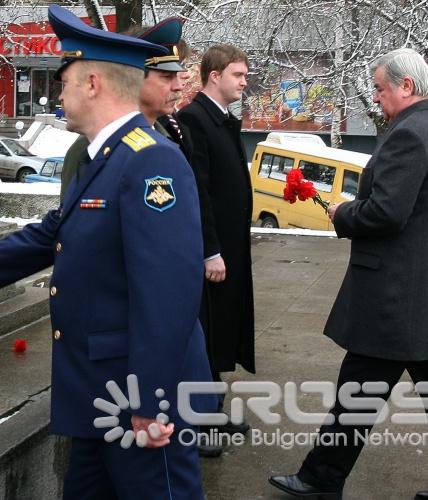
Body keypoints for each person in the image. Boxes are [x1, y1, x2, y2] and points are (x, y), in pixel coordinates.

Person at [0, 6, 215, 498]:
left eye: (66, 79)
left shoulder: (152, 161)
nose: (59, 92)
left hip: (135, 394)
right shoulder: (108, 156)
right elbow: (56, 231)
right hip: (99, 392)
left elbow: (169, 291)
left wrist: (153, 399)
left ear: (93, 82)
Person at [269, 48, 428, 500]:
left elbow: (387, 213)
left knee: (369, 390)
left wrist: (344, 213)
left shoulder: (410, 134)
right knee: (426, 392)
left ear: (406, 87)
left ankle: (322, 479)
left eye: (379, 88)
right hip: (415, 293)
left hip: (396, 296)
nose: (375, 96)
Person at [175, 44, 255, 456]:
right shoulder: (194, 119)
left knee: (223, 330)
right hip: (214, 250)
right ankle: (200, 421)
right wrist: (210, 250)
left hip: (231, 246)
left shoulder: (222, 119)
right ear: (214, 75)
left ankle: (213, 408)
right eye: (238, 75)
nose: (244, 82)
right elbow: (198, 191)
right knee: (207, 333)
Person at [59, 17, 188, 200]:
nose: (178, 86)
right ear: (133, 78)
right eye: (166, 77)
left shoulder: (164, 136)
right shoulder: (91, 146)